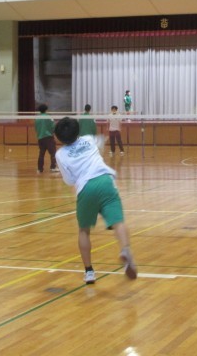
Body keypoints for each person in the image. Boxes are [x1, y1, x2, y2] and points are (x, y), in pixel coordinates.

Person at [54, 117, 137, 284]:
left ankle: (89, 272)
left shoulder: (60, 154)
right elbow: (100, 141)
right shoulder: (88, 139)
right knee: (118, 222)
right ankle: (125, 250)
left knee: (84, 230)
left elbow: (69, 180)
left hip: (86, 188)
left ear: (59, 137)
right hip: (106, 181)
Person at [34, 104, 59, 174]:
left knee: (41, 153)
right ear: (46, 110)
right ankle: (53, 167)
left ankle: (40, 169)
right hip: (48, 138)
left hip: (40, 138)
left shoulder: (37, 118)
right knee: (53, 153)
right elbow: (53, 127)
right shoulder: (49, 117)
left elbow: (36, 128)